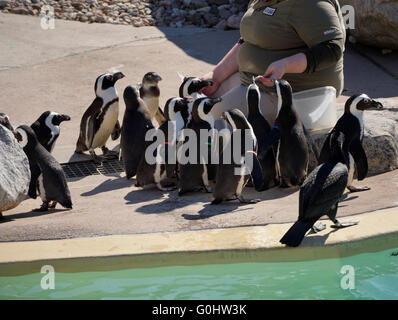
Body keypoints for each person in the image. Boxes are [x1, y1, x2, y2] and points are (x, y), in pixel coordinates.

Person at [201, 0, 346, 125]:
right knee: (197, 101)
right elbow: (248, 40)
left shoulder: (310, 4)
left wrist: (285, 65)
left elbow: (331, 48)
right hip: (253, 81)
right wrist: (215, 76)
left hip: (289, 96)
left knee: (204, 118)